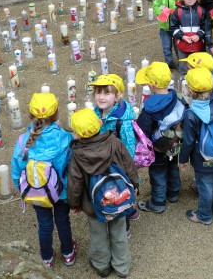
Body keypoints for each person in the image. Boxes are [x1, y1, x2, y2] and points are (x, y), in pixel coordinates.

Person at [67, 108, 138, 278]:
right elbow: (129, 164)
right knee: (119, 233)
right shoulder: (114, 142)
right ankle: (122, 267)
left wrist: (75, 204)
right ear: (99, 123)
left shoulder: (77, 155)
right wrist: (135, 184)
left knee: (98, 236)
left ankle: (102, 265)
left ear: (76, 134)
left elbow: (75, 183)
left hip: (93, 205)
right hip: (119, 199)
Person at [11, 93, 76, 268]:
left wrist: (21, 188)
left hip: (37, 192)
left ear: (31, 114)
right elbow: (72, 168)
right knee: (63, 221)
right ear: (56, 113)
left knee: (44, 224)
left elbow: (17, 169)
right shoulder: (65, 138)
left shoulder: (24, 140)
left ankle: (46, 258)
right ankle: (68, 253)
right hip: (60, 192)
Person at [179, 68, 213, 225]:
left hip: (201, 157)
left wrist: (183, 160)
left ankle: (204, 215)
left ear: (190, 91)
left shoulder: (191, 114)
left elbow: (188, 141)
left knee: (205, 186)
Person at [90, 74, 140, 236]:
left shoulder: (122, 121)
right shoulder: (96, 113)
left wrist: (128, 170)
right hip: (103, 161)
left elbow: (129, 148)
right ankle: (132, 211)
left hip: (119, 166)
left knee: (119, 194)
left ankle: (124, 227)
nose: (101, 97)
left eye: (106, 93)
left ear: (118, 96)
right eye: (98, 92)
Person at [135, 62, 185, 213]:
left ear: (150, 86)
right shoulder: (176, 98)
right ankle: (174, 193)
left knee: (158, 174)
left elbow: (143, 131)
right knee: (173, 167)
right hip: (175, 144)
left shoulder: (149, 109)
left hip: (158, 148)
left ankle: (158, 202)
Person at [169, 0, 211, 75]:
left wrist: (199, 36)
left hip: (198, 45)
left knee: (198, 68)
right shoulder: (178, 11)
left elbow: (205, 27)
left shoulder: (201, 11)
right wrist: (182, 37)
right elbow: (172, 28)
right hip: (182, 45)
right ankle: (185, 86)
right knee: (184, 68)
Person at [152, 0, 182, 68]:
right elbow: (156, 5)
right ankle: (169, 65)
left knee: (178, 47)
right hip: (164, 26)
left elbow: (183, 7)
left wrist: (173, 11)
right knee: (166, 47)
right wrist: (162, 11)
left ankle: (181, 63)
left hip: (177, 26)